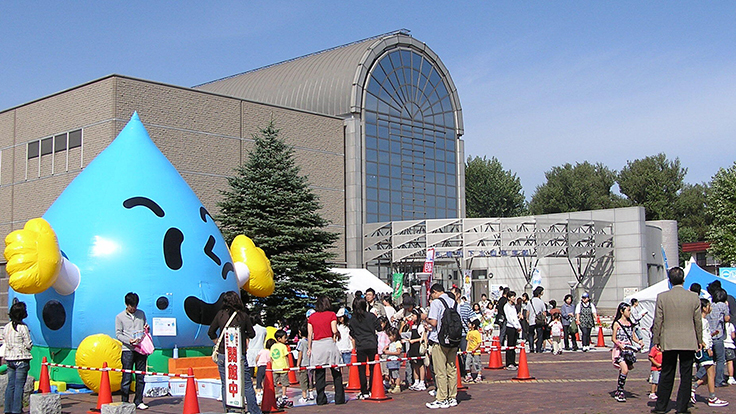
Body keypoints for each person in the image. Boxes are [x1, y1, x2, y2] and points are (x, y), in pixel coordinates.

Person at [651, 267, 703, 414]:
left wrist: (657, 340)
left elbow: (658, 320)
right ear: (684, 279)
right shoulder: (693, 297)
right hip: (688, 340)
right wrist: (700, 339)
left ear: (669, 280)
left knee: (667, 372)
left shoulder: (662, 297)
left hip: (669, 340)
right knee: (686, 375)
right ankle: (682, 407)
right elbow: (697, 321)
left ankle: (661, 406)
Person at [207, 291, 262, 414]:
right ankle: (254, 410)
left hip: (223, 354)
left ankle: (229, 409)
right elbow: (252, 333)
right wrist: (243, 335)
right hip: (238, 355)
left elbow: (211, 331)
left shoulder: (220, 315)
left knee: (225, 383)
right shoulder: (243, 316)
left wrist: (218, 342)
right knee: (247, 384)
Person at [307, 296, 345, 405]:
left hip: (317, 345)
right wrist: (338, 334)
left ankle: (321, 398)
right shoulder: (331, 314)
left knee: (319, 373)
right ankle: (339, 398)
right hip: (329, 343)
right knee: (336, 371)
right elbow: (334, 330)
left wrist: (309, 348)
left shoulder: (312, 317)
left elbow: (310, 334)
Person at [425, 284, 458, 409]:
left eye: (431, 294)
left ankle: (442, 398)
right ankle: (452, 397)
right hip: (453, 339)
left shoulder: (436, 303)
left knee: (440, 371)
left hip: (439, 340)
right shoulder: (453, 302)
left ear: (434, 292)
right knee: (451, 369)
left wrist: (425, 318)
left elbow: (433, 322)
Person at [691, 299, 729, 407]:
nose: (710, 308)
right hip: (703, 350)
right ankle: (712, 397)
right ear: (704, 308)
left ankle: (694, 387)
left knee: (710, 374)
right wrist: (704, 345)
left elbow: (705, 335)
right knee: (710, 373)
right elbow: (698, 335)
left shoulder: (704, 320)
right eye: (708, 306)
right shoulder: (701, 321)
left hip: (707, 348)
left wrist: (711, 335)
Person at [115, 292, 149, 410]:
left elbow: (145, 327)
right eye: (131, 306)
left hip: (141, 349)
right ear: (126, 304)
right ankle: (125, 401)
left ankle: (139, 401)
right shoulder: (120, 317)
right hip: (127, 350)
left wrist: (146, 329)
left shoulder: (141, 314)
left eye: (135, 305)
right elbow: (118, 334)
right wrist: (129, 340)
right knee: (127, 377)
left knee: (140, 376)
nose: (134, 308)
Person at [2, 301, 32, 414]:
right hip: (21, 358)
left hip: (9, 359)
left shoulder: (6, 327)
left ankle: (7, 409)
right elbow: (28, 344)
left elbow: (5, 340)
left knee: (11, 385)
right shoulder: (22, 327)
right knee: (19, 386)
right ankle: (17, 410)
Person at [611, 302, 644, 402]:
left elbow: (632, 336)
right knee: (625, 369)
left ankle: (619, 389)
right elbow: (613, 338)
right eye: (628, 310)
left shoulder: (630, 323)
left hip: (628, 350)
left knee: (625, 370)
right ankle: (620, 392)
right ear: (622, 311)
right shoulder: (617, 323)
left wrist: (639, 342)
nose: (629, 312)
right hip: (620, 350)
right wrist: (619, 344)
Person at [349, 297, 379, 399]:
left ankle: (364, 390)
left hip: (360, 345)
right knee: (373, 368)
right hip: (371, 343)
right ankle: (372, 388)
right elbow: (378, 327)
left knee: (361, 369)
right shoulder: (371, 316)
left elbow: (352, 333)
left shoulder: (353, 319)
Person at [707, 288, 731, 388]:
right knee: (721, 359)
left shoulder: (710, 305)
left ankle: (700, 376)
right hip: (718, 335)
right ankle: (718, 380)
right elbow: (727, 319)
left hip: (709, 335)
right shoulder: (723, 306)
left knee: (708, 359)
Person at [406, 309, 427, 391]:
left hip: (418, 347)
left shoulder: (420, 326)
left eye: (413, 315)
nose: (412, 317)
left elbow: (423, 338)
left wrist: (414, 340)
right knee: (414, 364)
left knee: (421, 365)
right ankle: (416, 381)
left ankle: (422, 382)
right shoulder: (412, 326)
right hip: (412, 348)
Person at [271, 330, 292, 408]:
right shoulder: (283, 346)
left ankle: (275, 394)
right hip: (283, 367)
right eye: (285, 338)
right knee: (284, 382)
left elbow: (271, 357)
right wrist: (288, 366)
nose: (286, 339)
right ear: (279, 338)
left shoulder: (273, 346)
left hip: (275, 367)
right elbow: (286, 356)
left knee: (274, 382)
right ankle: (283, 394)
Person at [295, 325, 314, 404]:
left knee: (303, 380)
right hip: (311, 363)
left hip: (304, 363)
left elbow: (300, 353)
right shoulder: (310, 341)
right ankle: (311, 394)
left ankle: (304, 396)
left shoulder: (301, 342)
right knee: (310, 379)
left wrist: (298, 364)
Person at [504, 291, 522, 370]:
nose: (514, 298)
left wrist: (519, 326)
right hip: (510, 327)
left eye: (514, 296)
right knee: (510, 345)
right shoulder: (506, 306)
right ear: (508, 298)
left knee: (514, 345)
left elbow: (515, 317)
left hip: (515, 327)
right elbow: (509, 318)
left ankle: (513, 361)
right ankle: (509, 363)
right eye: (512, 296)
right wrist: (515, 326)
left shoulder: (513, 306)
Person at [526, 286, 546, 353]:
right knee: (540, 334)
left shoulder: (530, 301)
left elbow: (527, 311)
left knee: (531, 334)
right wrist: (544, 319)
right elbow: (544, 312)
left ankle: (531, 347)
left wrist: (527, 318)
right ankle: (538, 348)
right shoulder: (541, 302)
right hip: (539, 321)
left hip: (531, 320)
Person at [384, 327, 403, 393]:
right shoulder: (391, 343)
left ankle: (397, 386)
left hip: (394, 360)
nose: (389, 338)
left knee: (395, 374)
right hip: (390, 360)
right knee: (391, 374)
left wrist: (389, 352)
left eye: (390, 336)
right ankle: (393, 385)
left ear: (394, 336)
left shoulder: (397, 343)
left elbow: (398, 352)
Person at [725, 320, 736, 385]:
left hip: (722, 344)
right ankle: (731, 377)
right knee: (730, 362)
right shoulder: (730, 325)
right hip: (729, 344)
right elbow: (733, 336)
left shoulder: (720, 324)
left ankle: (719, 377)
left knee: (719, 361)